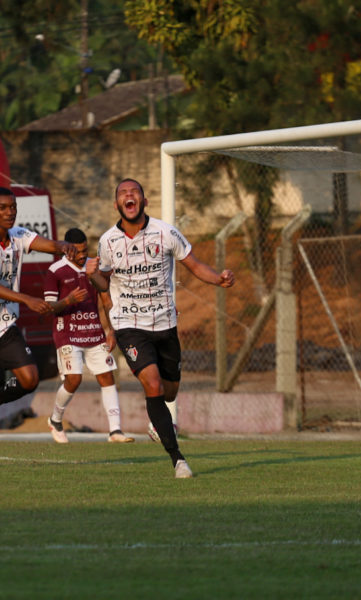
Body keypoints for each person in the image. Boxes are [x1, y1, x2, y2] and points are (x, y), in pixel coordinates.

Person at [86, 178, 235, 478]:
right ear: (117, 205)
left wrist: (218, 278)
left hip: (166, 324)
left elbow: (193, 264)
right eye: (123, 194)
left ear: (143, 201)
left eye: (134, 192)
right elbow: (103, 284)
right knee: (152, 384)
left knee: (168, 392)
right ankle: (178, 459)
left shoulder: (165, 232)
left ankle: (158, 422)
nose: (129, 197)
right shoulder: (107, 242)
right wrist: (94, 279)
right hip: (129, 323)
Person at [0, 186, 75, 469]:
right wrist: (28, 299)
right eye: (3, 208)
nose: (10, 212)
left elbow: (47, 245)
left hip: (3, 325)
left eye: (13, 207)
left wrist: (63, 246)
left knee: (30, 378)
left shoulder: (18, 235)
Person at [43, 227, 134, 444]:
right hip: (67, 333)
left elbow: (106, 301)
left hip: (94, 332)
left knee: (106, 376)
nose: (83, 255)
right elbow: (48, 308)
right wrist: (68, 301)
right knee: (74, 379)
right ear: (67, 251)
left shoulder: (94, 267)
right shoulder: (55, 271)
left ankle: (115, 431)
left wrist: (111, 330)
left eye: (85, 250)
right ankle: (55, 420)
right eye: (77, 251)